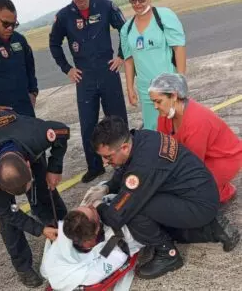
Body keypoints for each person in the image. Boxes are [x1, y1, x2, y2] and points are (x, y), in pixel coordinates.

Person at [82, 116, 240, 279]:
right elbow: (125, 169)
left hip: (198, 204)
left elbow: (116, 217)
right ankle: (212, 229)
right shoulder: (142, 138)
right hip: (198, 193)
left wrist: (99, 205)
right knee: (141, 206)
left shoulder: (143, 166)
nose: (105, 162)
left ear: (124, 147)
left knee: (134, 210)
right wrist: (107, 186)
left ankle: (168, 254)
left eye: (108, 157)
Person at [0, 111, 70, 288]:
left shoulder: (37, 136)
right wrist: (39, 230)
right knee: (7, 217)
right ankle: (22, 266)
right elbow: (7, 212)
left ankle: (62, 230)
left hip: (19, 134)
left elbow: (64, 131)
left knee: (43, 190)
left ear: (28, 164)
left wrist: (55, 167)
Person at [49, 0, 128, 183]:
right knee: (88, 125)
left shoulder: (105, 6)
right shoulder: (64, 15)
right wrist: (67, 69)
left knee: (117, 120)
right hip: (84, 78)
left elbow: (125, 29)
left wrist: (121, 55)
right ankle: (95, 166)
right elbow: (54, 43)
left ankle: (126, 161)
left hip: (107, 71)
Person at [148, 73, 242, 203]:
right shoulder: (165, 113)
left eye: (158, 101)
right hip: (202, 156)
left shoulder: (196, 121)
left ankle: (222, 191)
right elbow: (162, 145)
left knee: (189, 190)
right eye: (153, 102)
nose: (155, 107)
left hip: (225, 158)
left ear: (174, 96)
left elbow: (193, 164)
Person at [41, 200, 143, 291]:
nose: (91, 205)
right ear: (97, 229)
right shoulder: (116, 249)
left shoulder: (73, 231)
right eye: (91, 209)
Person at [120, 0, 186, 130]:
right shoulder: (127, 29)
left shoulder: (164, 16)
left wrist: (180, 81)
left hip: (169, 88)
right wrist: (130, 89)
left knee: (175, 128)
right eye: (133, 0)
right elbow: (129, 60)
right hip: (147, 92)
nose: (137, 4)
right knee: (152, 129)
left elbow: (178, 48)